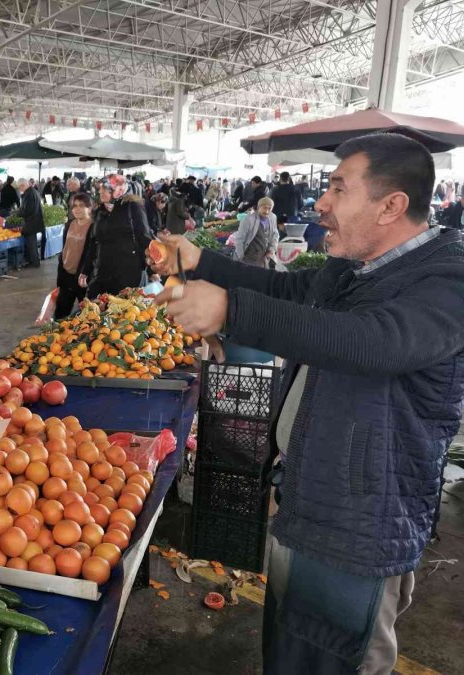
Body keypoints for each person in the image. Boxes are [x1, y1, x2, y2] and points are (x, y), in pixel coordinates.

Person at [149, 132, 464, 675]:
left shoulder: (445, 280)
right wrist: (201, 261)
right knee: (292, 651)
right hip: (307, 497)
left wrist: (230, 311)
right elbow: (290, 293)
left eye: (339, 188)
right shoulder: (356, 269)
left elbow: (374, 341)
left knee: (335, 658)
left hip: (359, 522)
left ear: (392, 205)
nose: (320, 202)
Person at [79, 174, 154, 298]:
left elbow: (144, 238)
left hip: (127, 272)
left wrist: (152, 270)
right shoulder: (100, 211)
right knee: (95, 307)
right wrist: (85, 270)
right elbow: (93, 243)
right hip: (102, 271)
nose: (100, 191)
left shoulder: (132, 207)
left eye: (105, 189)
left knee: (123, 312)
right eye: (100, 188)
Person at [54, 193, 93, 319]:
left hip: (82, 277)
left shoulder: (94, 227)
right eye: (74, 206)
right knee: (61, 312)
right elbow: (65, 247)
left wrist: (86, 273)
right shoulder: (70, 224)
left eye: (82, 206)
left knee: (87, 314)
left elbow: (92, 254)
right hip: (66, 274)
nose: (77, 209)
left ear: (90, 208)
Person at [233, 197, 279, 266]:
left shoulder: (273, 217)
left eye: (269, 208)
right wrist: (241, 257)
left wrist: (271, 249)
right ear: (258, 207)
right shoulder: (248, 219)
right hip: (248, 257)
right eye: (264, 208)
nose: (266, 211)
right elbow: (240, 238)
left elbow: (275, 235)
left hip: (263, 258)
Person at [17, 178, 44, 267]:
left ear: (23, 185)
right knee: (32, 243)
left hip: (31, 222)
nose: (19, 189)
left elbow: (28, 210)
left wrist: (18, 213)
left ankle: (34, 262)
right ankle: (34, 261)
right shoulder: (33, 192)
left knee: (31, 243)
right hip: (34, 221)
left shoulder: (29, 194)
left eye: (19, 187)